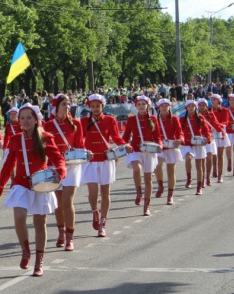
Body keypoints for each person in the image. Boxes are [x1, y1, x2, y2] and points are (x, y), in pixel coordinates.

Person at [0, 104, 66, 275]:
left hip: (41, 183)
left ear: (36, 120)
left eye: (29, 118)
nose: (25, 121)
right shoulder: (14, 139)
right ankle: (25, 249)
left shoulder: (45, 137)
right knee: (19, 217)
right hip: (21, 183)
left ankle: (39, 260)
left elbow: (58, 157)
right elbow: (8, 165)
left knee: (39, 222)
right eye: (22, 118)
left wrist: (60, 172)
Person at [81, 94, 127, 237]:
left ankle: (103, 222)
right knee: (93, 193)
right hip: (90, 161)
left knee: (105, 192)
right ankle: (95, 211)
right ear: (89, 107)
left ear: (103, 106)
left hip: (106, 160)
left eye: (98, 106)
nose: (95, 108)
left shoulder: (110, 120)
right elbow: (78, 140)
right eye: (93, 106)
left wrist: (125, 146)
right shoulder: (83, 121)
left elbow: (115, 137)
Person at [42, 95, 84, 251]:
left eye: (68, 104)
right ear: (56, 107)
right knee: (58, 205)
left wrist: (84, 154)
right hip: (54, 167)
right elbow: (43, 148)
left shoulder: (76, 124)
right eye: (64, 104)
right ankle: (61, 232)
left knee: (67, 202)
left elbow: (80, 145)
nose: (67, 107)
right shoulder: (47, 126)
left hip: (72, 167)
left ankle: (70, 236)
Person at [121, 96, 162, 216]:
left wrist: (159, 145)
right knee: (136, 169)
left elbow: (158, 136)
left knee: (148, 179)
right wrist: (122, 146)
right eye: (139, 104)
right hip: (135, 149)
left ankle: (146, 206)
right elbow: (126, 136)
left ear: (148, 106)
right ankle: (139, 192)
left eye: (143, 104)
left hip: (149, 151)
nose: (141, 106)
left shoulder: (153, 119)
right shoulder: (131, 120)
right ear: (136, 106)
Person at [153, 99, 182, 205]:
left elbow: (179, 133)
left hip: (171, 147)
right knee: (157, 165)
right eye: (162, 106)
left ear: (169, 107)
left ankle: (170, 195)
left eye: (166, 106)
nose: (164, 108)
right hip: (159, 148)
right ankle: (160, 185)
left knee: (171, 172)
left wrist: (179, 140)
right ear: (158, 108)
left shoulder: (174, 119)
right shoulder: (154, 120)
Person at [180, 100, 212, 195]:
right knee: (188, 158)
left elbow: (206, 130)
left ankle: (199, 186)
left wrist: (207, 139)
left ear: (195, 107)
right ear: (186, 108)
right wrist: (180, 139)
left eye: (193, 106)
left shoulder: (200, 117)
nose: (191, 108)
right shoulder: (182, 119)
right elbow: (179, 131)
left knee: (199, 165)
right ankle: (189, 178)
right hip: (188, 143)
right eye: (189, 106)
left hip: (198, 143)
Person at [197, 98, 224, 187]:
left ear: (206, 106)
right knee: (202, 160)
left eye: (203, 105)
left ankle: (208, 176)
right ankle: (203, 177)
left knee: (209, 157)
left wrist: (222, 133)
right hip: (200, 140)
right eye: (200, 105)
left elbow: (216, 124)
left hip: (210, 139)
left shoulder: (211, 115)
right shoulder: (195, 115)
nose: (202, 107)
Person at [208, 94, 232, 183]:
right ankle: (214, 167)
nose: (213, 101)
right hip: (211, 133)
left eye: (214, 99)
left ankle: (220, 174)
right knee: (213, 154)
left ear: (219, 101)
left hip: (220, 132)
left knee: (220, 154)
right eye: (212, 99)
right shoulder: (208, 110)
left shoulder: (224, 110)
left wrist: (220, 125)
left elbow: (226, 121)